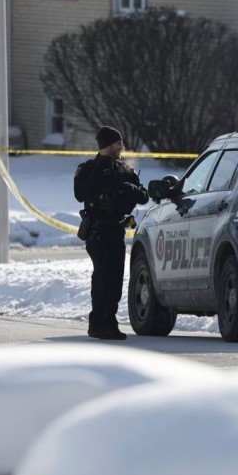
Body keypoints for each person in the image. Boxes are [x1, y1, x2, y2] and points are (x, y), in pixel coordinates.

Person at [78, 125, 148, 340]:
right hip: (97, 232)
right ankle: (97, 322)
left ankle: (110, 322)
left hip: (116, 231)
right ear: (108, 145)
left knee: (115, 279)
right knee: (102, 276)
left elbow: (143, 196)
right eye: (118, 143)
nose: (122, 147)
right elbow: (80, 193)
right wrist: (100, 172)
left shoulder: (124, 170)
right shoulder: (89, 168)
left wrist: (130, 189)